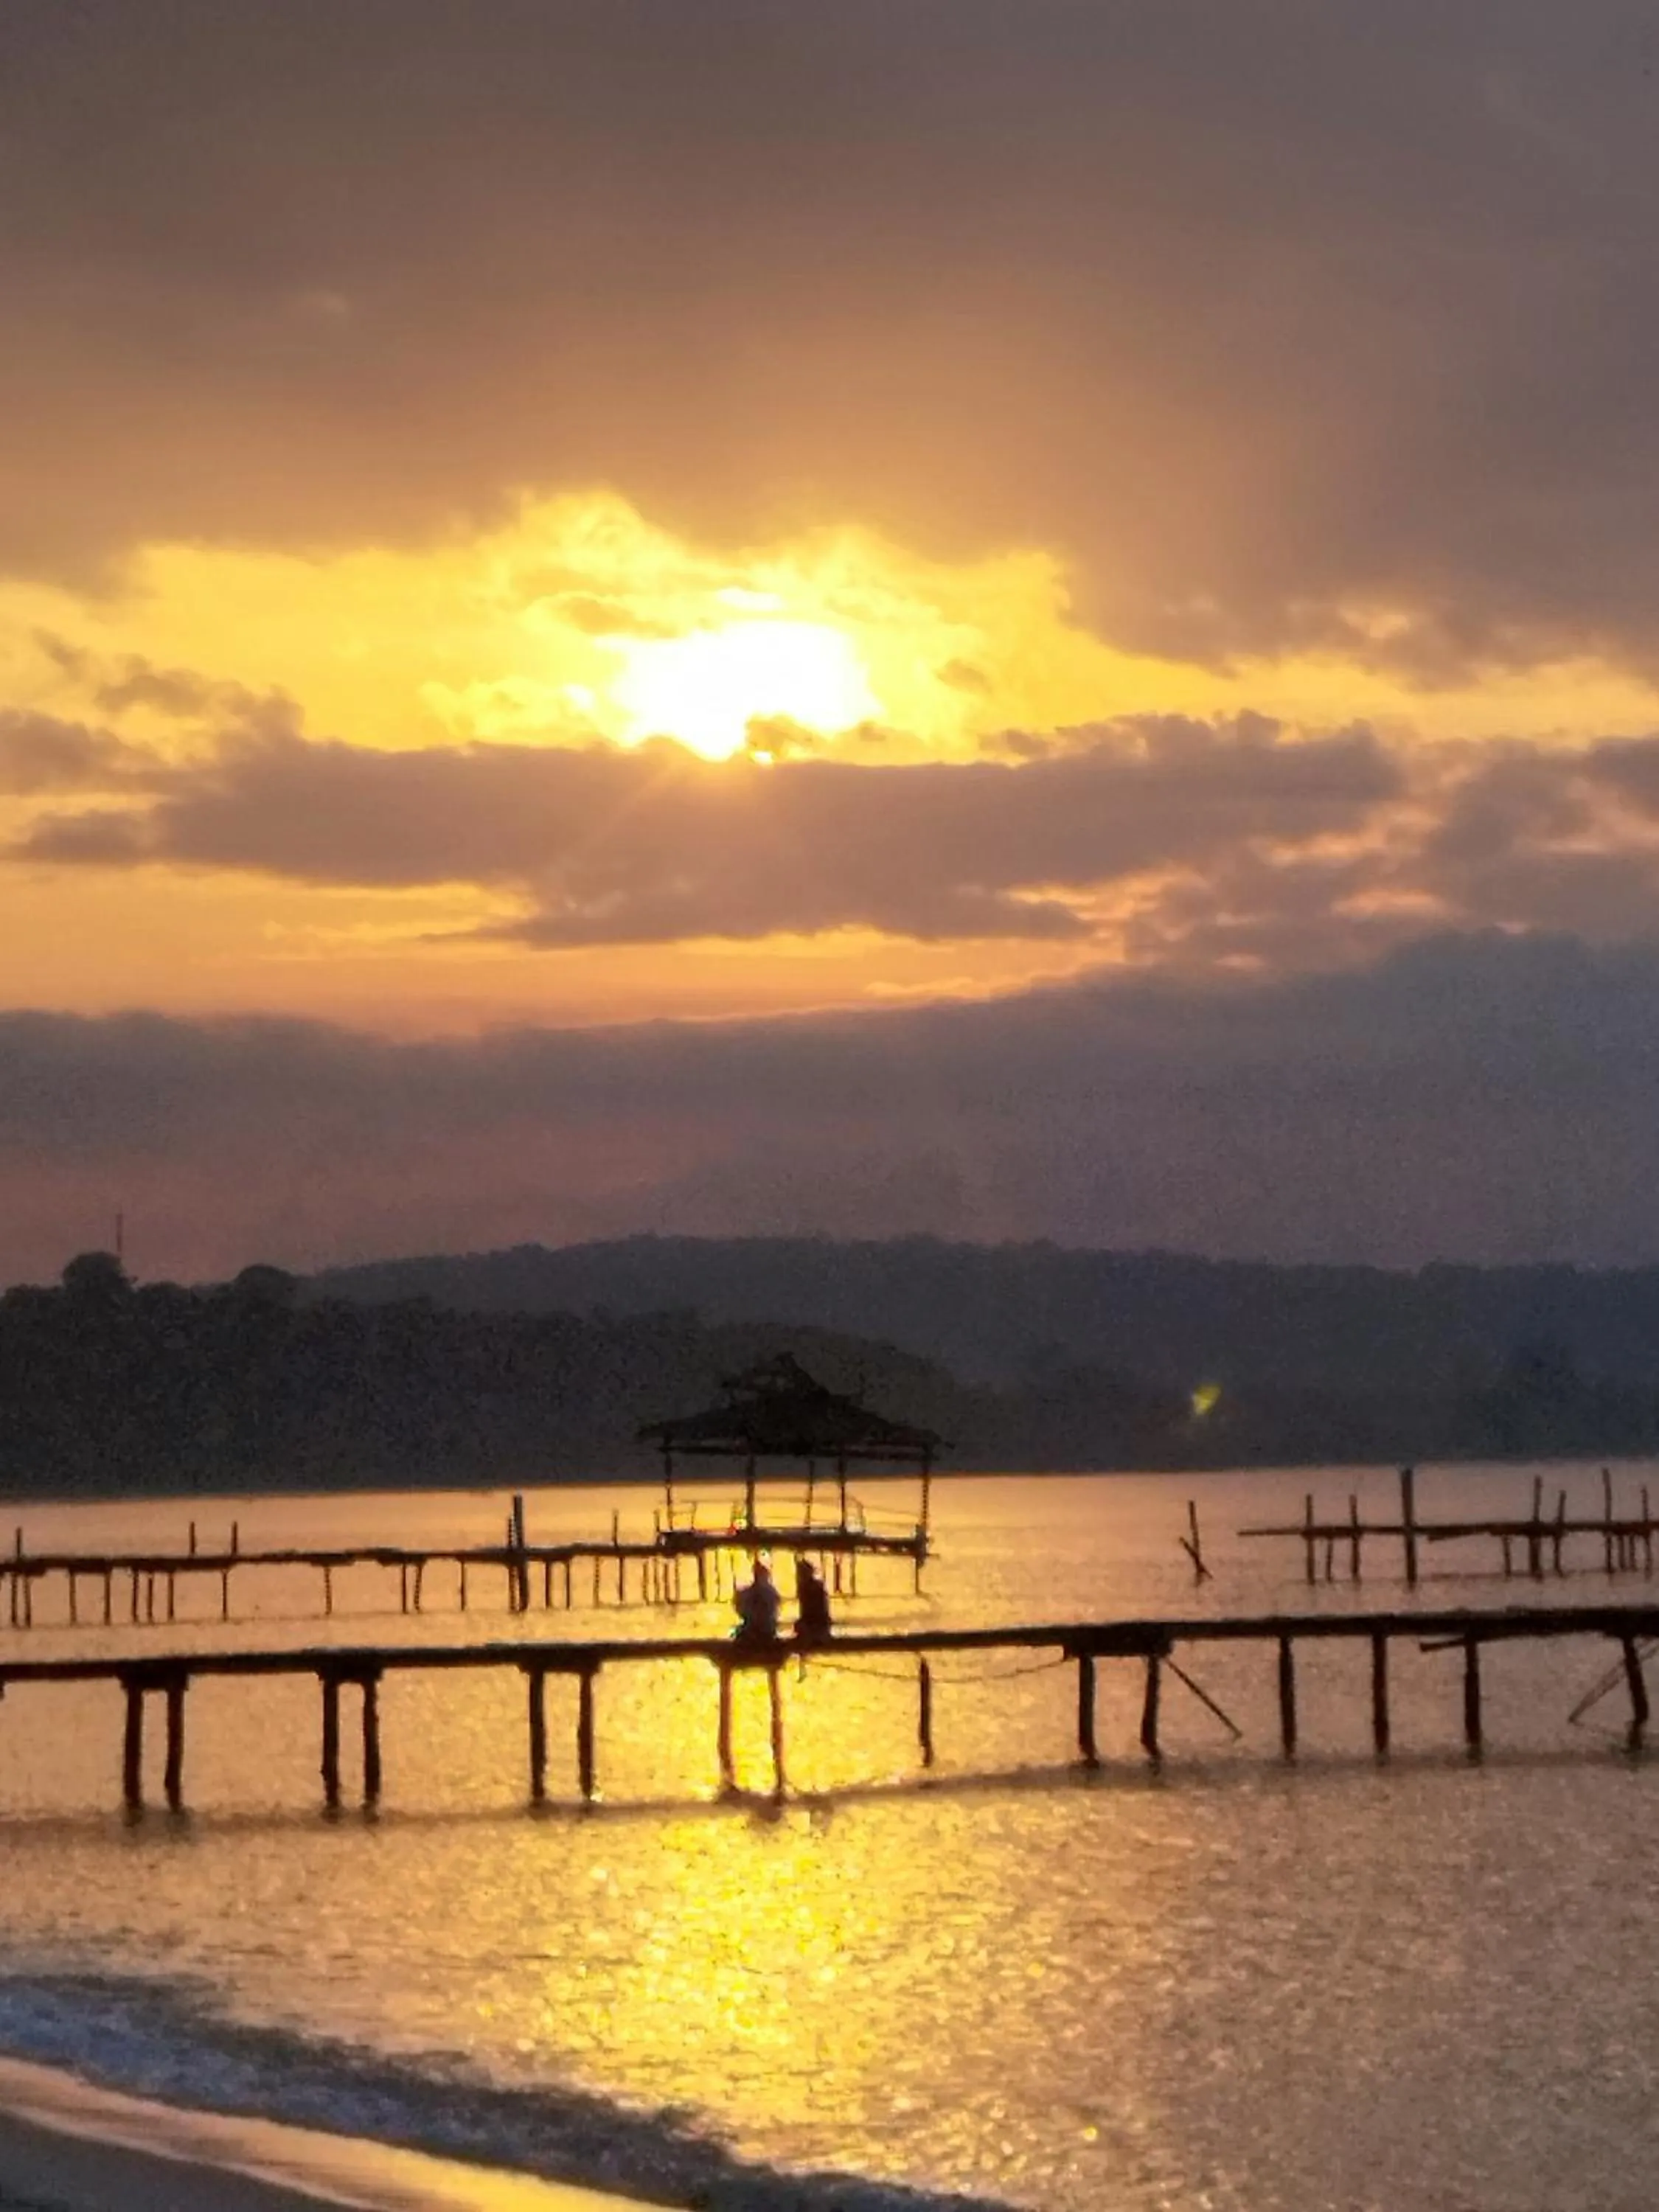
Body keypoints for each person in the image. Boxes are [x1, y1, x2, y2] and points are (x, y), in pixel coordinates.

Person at [733, 1558, 781, 1643]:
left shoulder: (770, 1593)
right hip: (756, 1629)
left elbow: (741, 1610)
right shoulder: (770, 1593)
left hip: (764, 1629)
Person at [795, 1557, 832, 1646]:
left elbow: (814, 1612)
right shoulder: (808, 1587)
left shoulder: (811, 1588)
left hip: (817, 1626)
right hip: (817, 1624)